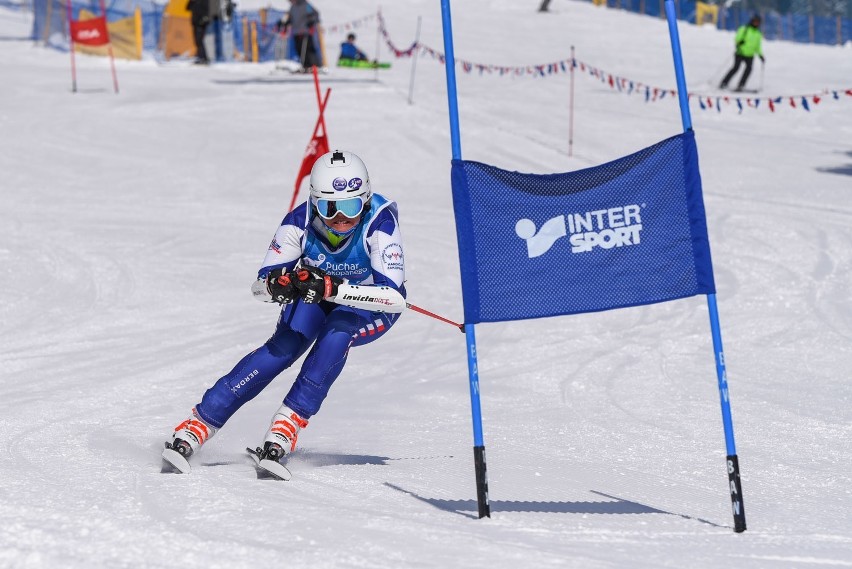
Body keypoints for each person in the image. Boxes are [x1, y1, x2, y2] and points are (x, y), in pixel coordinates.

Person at [162, 150, 406, 474]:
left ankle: (286, 426)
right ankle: (199, 424)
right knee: (283, 348)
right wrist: (280, 284)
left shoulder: (380, 221)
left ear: (366, 199)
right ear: (314, 201)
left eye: (351, 206)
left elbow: (394, 298)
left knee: (337, 336)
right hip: (315, 294)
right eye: (329, 207)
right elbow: (259, 287)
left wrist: (334, 289)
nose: (341, 218)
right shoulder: (299, 220)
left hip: (366, 304)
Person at [719, 14, 765, 92]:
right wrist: (739, 42)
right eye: (755, 22)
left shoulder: (758, 33)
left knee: (748, 70)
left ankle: (741, 85)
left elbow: (758, 46)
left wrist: (760, 55)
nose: (756, 23)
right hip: (740, 52)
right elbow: (737, 38)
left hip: (750, 55)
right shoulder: (744, 29)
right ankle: (724, 83)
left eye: (758, 22)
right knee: (736, 68)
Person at [279, 0, 321, 72]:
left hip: (305, 31)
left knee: (308, 50)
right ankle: (305, 66)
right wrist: (286, 24)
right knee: (299, 50)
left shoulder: (305, 5)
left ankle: (313, 66)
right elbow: (290, 17)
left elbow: (314, 14)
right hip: (296, 32)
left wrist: (311, 21)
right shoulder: (293, 7)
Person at [187, 0, 211, 65]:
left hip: (201, 23)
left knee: (199, 40)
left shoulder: (204, 1)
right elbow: (188, 8)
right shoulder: (194, 2)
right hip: (195, 22)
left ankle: (203, 58)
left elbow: (207, 10)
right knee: (197, 41)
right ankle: (201, 57)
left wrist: (204, 19)